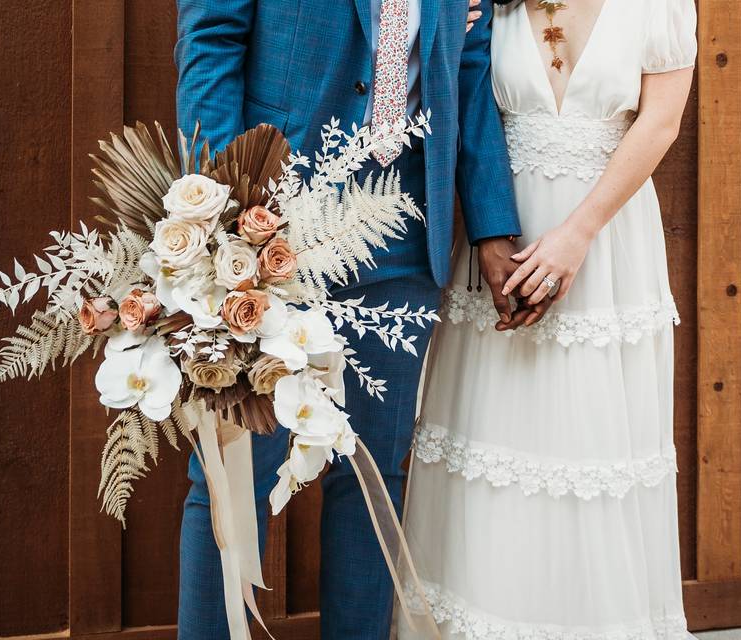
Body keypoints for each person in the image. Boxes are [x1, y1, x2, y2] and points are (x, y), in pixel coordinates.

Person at [173, 1, 550, 638]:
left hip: (403, 229)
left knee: (374, 476)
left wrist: (491, 225)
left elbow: (470, 66)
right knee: (234, 477)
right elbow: (210, 42)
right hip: (271, 227)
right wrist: (221, 209)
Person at [401, 0, 698, 637]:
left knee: (592, 446)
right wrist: (488, 231)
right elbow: (463, 107)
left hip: (607, 241)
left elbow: (660, 124)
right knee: (495, 435)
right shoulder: (489, 5)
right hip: (504, 228)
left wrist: (577, 236)